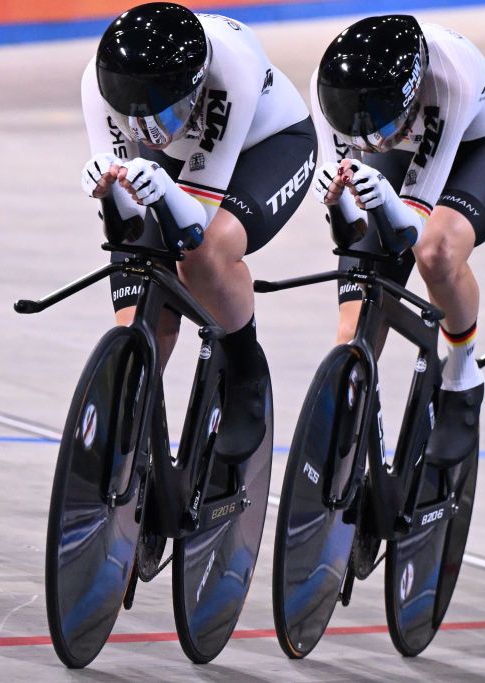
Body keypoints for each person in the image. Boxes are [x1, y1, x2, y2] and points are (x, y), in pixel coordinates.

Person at [79, 2, 316, 462]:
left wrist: (164, 193)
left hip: (265, 148)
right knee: (140, 290)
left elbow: (194, 225)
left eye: (163, 116)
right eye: (136, 119)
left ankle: (245, 371)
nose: (149, 132)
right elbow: (125, 226)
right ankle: (135, 420)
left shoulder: (233, 73)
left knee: (205, 255)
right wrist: (107, 191)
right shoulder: (99, 81)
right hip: (182, 161)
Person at [310, 14, 485, 467]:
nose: (368, 141)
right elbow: (349, 226)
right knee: (353, 323)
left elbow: (412, 225)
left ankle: (461, 375)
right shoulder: (328, 88)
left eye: (379, 127)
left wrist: (386, 204)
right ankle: (353, 439)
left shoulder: (450, 75)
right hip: (399, 148)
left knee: (436, 251)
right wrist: (339, 205)